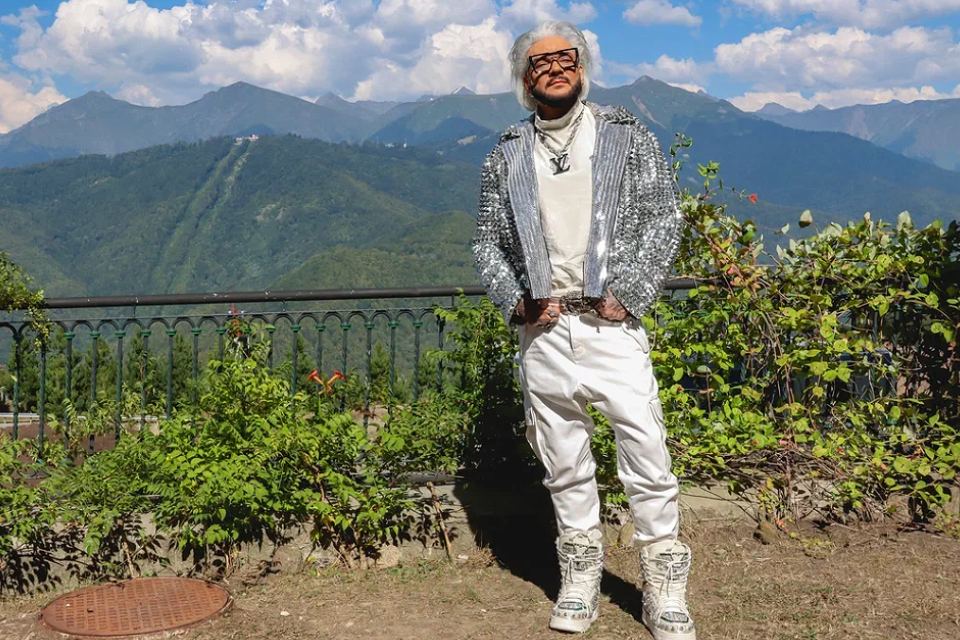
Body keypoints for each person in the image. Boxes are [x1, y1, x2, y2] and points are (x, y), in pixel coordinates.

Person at [471, 20, 695, 640]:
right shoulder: (507, 152)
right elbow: (487, 241)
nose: (554, 68)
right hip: (543, 332)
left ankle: (664, 589)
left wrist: (631, 294)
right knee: (563, 461)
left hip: (611, 326)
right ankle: (580, 580)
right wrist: (517, 302)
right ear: (524, 78)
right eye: (539, 62)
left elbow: (663, 218)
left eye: (565, 57)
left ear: (582, 65)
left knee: (647, 454)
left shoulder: (625, 136)